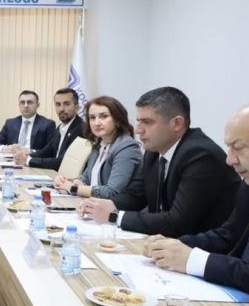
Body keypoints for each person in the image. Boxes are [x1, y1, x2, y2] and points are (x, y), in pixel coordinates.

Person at [144, 101, 249, 301]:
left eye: (238, 148)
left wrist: (197, 261)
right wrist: (175, 245)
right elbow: (229, 234)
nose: (229, 160)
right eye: (229, 148)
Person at [79, 87, 239, 237]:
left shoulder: (200, 155)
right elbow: (136, 195)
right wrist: (105, 205)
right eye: (138, 121)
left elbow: (179, 222)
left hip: (203, 247)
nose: (138, 130)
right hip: (168, 242)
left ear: (177, 123)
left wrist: (115, 216)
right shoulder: (153, 152)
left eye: (147, 122)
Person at [53, 95, 141, 199]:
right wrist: (67, 183)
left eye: (104, 116)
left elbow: (111, 192)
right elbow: (86, 177)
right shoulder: (99, 144)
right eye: (92, 118)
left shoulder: (127, 147)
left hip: (115, 208)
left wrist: (72, 188)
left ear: (117, 120)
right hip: (92, 204)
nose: (97, 123)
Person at [14, 88, 83, 170]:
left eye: (67, 104)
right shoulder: (60, 127)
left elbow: (62, 162)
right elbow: (46, 152)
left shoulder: (81, 129)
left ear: (77, 107)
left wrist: (28, 161)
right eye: (58, 104)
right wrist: (23, 156)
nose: (61, 108)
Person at [0, 90, 56, 154]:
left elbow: (51, 150)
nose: (26, 106)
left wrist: (30, 151)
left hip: (33, 159)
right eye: (22, 102)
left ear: (37, 105)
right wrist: (4, 148)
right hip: (11, 159)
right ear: (19, 105)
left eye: (30, 102)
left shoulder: (47, 124)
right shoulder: (10, 123)